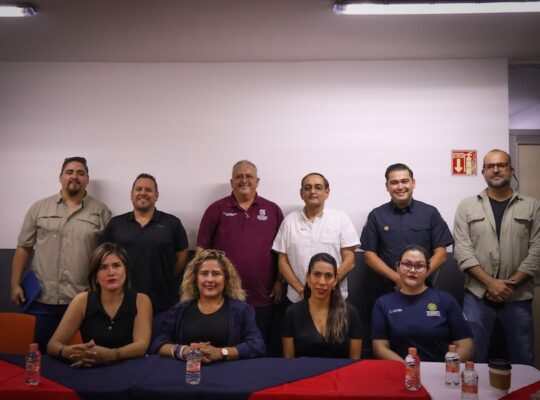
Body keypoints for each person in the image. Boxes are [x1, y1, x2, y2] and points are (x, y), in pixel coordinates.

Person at [10, 157, 111, 352]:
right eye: (69, 172)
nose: (75, 176)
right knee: (39, 355)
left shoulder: (101, 212)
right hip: (42, 299)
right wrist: (14, 284)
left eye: (80, 173)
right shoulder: (39, 208)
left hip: (81, 300)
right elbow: (24, 247)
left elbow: (106, 256)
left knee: (80, 356)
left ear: (87, 179)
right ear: (60, 177)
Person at [453, 149, 539, 365]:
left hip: (518, 296)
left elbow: (537, 250)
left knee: (523, 358)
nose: (496, 170)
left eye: (501, 165)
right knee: (473, 359)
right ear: (483, 172)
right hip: (477, 296)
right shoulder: (467, 206)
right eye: (490, 166)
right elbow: (462, 249)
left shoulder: (532, 206)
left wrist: (509, 285)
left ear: (511, 170)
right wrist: (491, 283)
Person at [359, 163, 454, 346]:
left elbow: (441, 253)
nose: (400, 186)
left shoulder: (430, 213)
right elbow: (369, 255)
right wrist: (399, 279)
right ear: (387, 186)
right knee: (387, 344)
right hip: (387, 292)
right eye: (394, 182)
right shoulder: (376, 215)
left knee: (426, 341)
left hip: (424, 293)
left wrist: (418, 278)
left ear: (413, 183)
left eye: (405, 181)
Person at [196, 160, 284, 349]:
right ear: (232, 182)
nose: (244, 180)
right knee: (227, 349)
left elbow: (282, 252)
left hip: (263, 297)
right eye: (239, 176)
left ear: (257, 181)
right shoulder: (216, 209)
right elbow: (201, 250)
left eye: (249, 176)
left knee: (259, 349)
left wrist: (279, 281)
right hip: (224, 298)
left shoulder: (272, 210)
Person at [47, 242, 152, 367]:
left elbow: (142, 346)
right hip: (92, 368)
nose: (111, 272)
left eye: (116, 265)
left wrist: (112, 355)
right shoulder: (82, 300)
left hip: (129, 367)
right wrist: (66, 351)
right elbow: (52, 345)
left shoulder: (141, 300)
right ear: (95, 275)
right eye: (103, 268)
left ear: (126, 270)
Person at [151, 249, 266, 363]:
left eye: (216, 274)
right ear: (195, 279)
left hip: (229, 372)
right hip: (189, 372)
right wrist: (185, 351)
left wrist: (222, 352)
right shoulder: (180, 310)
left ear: (226, 279)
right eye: (204, 274)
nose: (210, 279)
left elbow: (257, 345)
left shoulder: (242, 310)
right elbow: (159, 344)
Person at [100, 173, 189, 316]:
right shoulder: (116, 224)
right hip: (122, 301)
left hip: (162, 303)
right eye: (139, 189)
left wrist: (165, 274)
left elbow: (182, 255)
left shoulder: (172, 223)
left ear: (156, 195)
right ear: (131, 194)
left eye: (148, 190)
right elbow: (102, 257)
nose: (143, 193)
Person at [372, 245, 473, 362]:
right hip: (400, 369)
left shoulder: (445, 300)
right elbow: (379, 348)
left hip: (440, 370)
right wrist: (408, 368)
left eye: (419, 266)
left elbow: (466, 346)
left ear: (427, 270)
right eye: (407, 264)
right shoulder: (383, 303)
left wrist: (445, 367)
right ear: (398, 267)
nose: (412, 270)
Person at [273, 172, 359, 303]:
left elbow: (350, 259)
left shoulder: (341, 219)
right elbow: (282, 261)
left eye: (318, 187)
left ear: (327, 192)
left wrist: (330, 284)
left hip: (333, 298)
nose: (312, 191)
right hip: (298, 298)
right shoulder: (289, 222)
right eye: (308, 188)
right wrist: (301, 290)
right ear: (301, 193)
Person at [282, 253, 362, 359]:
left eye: (328, 276)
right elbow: (288, 361)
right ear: (308, 278)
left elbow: (354, 362)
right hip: (303, 370)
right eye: (317, 274)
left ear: (335, 281)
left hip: (341, 370)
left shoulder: (350, 314)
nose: (322, 282)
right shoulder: (292, 313)